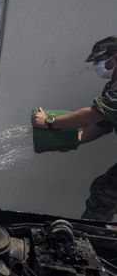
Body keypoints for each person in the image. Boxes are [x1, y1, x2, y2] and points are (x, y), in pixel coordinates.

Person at [31, 35, 117, 221]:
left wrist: (49, 121)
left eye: (100, 60)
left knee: (104, 194)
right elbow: (102, 124)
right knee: (103, 190)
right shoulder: (112, 87)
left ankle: (94, 241)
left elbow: (94, 115)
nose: (97, 66)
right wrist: (76, 139)